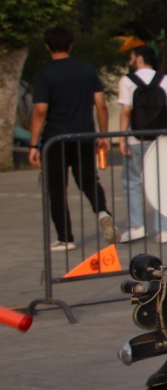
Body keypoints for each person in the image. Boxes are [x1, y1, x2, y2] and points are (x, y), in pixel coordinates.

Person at [27, 26, 115, 250]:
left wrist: (33, 144)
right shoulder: (86, 70)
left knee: (57, 188)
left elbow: (40, 111)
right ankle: (103, 211)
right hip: (84, 136)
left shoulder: (45, 74)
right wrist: (103, 134)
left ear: (47, 46)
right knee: (88, 181)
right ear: (71, 45)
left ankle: (66, 238)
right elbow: (101, 104)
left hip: (56, 138)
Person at [116, 45, 167, 244]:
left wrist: (122, 138)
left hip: (136, 138)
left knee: (133, 182)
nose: (130, 60)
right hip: (163, 139)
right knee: (163, 183)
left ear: (140, 58)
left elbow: (126, 111)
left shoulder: (127, 81)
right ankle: (164, 231)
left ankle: (136, 227)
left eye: (132, 56)